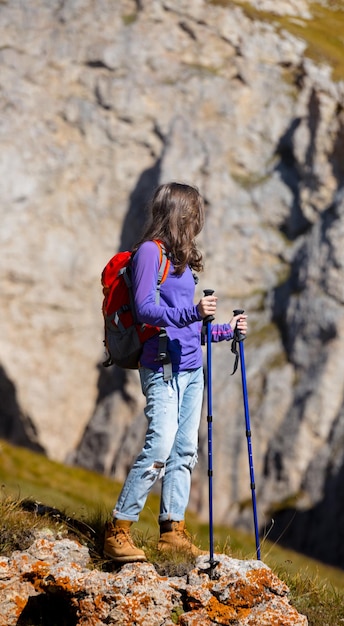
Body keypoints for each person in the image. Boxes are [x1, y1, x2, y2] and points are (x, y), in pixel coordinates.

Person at [103, 182, 247, 563]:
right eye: (195, 213)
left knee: (185, 449)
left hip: (191, 367)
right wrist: (194, 312)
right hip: (162, 364)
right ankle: (118, 529)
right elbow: (147, 309)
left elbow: (189, 326)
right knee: (160, 445)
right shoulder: (150, 253)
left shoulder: (181, 260)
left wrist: (225, 331)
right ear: (181, 214)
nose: (199, 221)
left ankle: (172, 531)